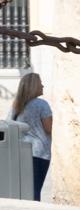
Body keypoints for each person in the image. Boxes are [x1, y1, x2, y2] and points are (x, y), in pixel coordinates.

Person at [7, 72, 52, 201]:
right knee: (35, 189)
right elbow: (48, 128)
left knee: (22, 189)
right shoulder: (42, 104)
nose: (42, 86)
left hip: (20, 151)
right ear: (34, 86)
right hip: (39, 153)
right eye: (40, 83)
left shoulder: (16, 105)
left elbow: (9, 124)